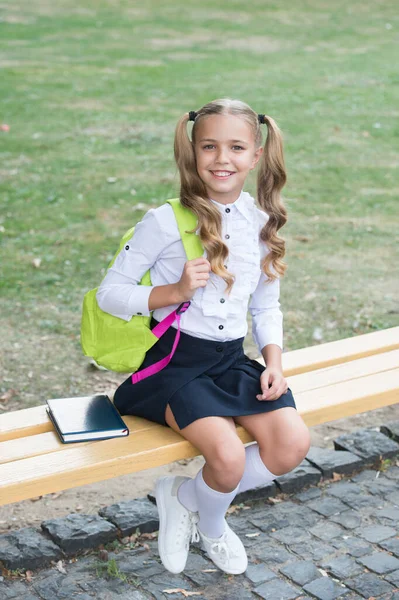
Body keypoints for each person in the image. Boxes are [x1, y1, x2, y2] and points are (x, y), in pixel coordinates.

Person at [96, 98, 311, 575]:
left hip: (230, 361)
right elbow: (109, 294)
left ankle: (184, 496)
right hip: (174, 365)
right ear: (193, 152)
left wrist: (274, 362)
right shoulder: (165, 221)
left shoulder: (262, 223)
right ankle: (213, 526)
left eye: (236, 147)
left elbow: (265, 305)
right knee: (228, 457)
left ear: (255, 156)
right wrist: (170, 291)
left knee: (291, 444)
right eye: (209, 146)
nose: (222, 158)